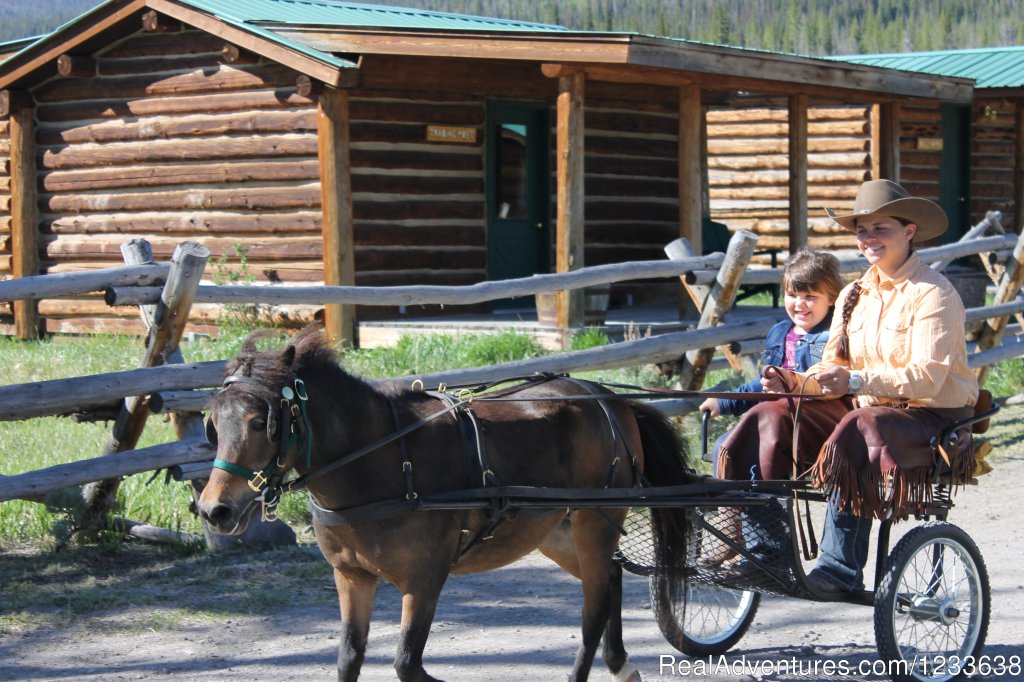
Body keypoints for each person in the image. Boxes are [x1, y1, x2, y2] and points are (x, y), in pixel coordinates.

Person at [741, 179, 978, 596]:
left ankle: (840, 570)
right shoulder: (853, 293)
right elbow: (834, 366)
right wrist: (794, 381)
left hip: (932, 415)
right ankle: (765, 555)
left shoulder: (934, 294)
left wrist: (854, 380)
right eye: (862, 230)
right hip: (867, 407)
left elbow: (927, 377)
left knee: (860, 424)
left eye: (880, 228)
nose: (869, 238)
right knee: (768, 417)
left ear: (909, 232)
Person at [697, 249, 842, 565]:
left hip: (810, 427)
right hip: (771, 421)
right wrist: (725, 401)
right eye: (792, 295)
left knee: (754, 453)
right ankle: (731, 531)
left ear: (831, 298)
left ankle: (771, 545)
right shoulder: (781, 334)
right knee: (726, 445)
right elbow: (763, 388)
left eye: (810, 296)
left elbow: (831, 387)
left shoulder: (834, 337)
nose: (799, 304)